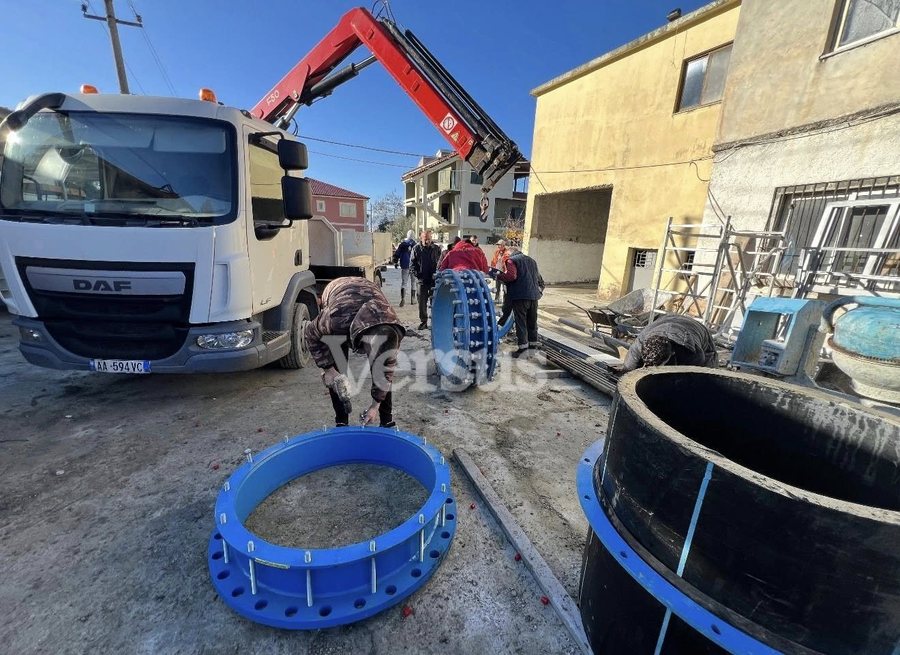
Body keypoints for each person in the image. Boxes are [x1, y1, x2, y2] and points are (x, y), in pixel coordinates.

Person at [304, 277, 404, 427]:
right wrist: (328, 369)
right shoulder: (334, 318)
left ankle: (386, 421)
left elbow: (385, 374)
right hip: (337, 293)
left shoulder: (392, 329)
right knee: (338, 369)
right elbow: (310, 334)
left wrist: (374, 406)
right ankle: (341, 421)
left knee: (382, 371)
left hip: (369, 293)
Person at [617, 315, 718, 373]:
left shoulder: (692, 354)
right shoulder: (640, 344)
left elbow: (691, 378)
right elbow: (628, 370)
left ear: (672, 352)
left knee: (701, 386)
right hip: (668, 320)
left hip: (699, 334)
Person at [497, 247, 544, 358]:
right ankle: (533, 347)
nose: (506, 257)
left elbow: (511, 276)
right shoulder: (532, 261)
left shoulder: (511, 260)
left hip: (520, 297)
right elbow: (538, 279)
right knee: (532, 322)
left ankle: (523, 350)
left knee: (521, 322)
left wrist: (499, 276)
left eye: (507, 254)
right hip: (534, 297)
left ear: (510, 253)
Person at [411, 230, 442, 330]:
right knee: (422, 303)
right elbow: (412, 265)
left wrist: (438, 274)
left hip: (434, 281)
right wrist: (418, 275)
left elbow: (441, 263)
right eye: (425, 239)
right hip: (422, 281)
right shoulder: (416, 249)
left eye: (429, 238)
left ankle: (436, 321)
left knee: (435, 302)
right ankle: (423, 322)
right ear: (421, 238)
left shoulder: (436, 249)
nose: (427, 241)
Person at [392, 230, 417, 307]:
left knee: (404, 283)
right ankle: (413, 299)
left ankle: (403, 298)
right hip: (414, 266)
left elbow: (397, 254)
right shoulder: (416, 245)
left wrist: (395, 262)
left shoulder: (402, 245)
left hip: (405, 266)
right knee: (413, 283)